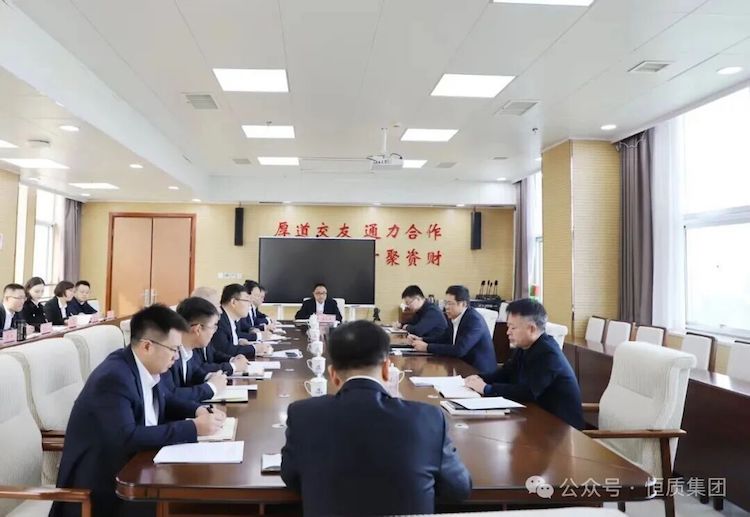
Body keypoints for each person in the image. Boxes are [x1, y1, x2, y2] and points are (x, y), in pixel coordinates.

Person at [281, 320, 471, 516]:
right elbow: (458, 489)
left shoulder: (303, 415)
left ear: (333, 375)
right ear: (387, 369)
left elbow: (291, 477)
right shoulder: (428, 418)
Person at [50, 304, 225, 517]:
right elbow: (127, 438)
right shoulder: (114, 377)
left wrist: (198, 410)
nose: (176, 357)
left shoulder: (142, 366)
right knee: (193, 505)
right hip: (103, 491)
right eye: (173, 350)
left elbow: (166, 399)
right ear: (147, 346)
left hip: (138, 470)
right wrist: (193, 428)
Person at [464, 298, 584, 430]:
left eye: (513, 327)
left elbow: (529, 392)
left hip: (561, 427)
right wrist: (480, 378)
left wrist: (487, 389)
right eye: (508, 326)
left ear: (531, 329)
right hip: (535, 416)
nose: (508, 332)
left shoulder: (548, 354)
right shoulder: (525, 346)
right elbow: (506, 372)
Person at [409, 285, 497, 374]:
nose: (446, 307)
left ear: (463, 304)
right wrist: (421, 339)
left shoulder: (474, 320)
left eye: (450, 303)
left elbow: (460, 350)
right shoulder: (455, 317)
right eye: (445, 303)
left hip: (479, 372)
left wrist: (427, 347)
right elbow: (443, 339)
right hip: (462, 365)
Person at [161, 297, 228, 403]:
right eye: (213, 327)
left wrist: (210, 377)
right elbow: (170, 395)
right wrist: (211, 387)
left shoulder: (190, 348)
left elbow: (194, 372)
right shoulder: (167, 352)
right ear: (198, 329)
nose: (214, 332)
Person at [209, 284, 272, 360]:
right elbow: (225, 350)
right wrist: (255, 348)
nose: (250, 305)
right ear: (233, 302)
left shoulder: (232, 319)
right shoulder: (219, 320)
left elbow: (232, 341)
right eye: (247, 301)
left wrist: (239, 341)